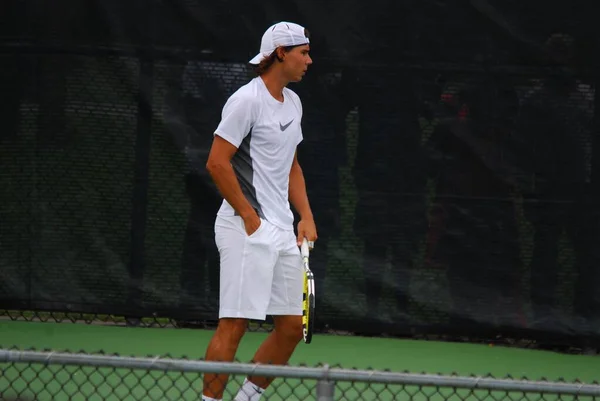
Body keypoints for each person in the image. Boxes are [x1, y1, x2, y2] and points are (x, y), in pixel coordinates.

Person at [202, 21, 317, 401]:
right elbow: (217, 162)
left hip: (283, 230)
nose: (309, 60)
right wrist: (250, 218)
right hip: (244, 228)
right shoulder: (246, 100)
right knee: (234, 325)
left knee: (290, 327)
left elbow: (292, 166)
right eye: (303, 52)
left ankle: (246, 399)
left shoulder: (294, 102)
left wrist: (305, 215)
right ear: (281, 53)